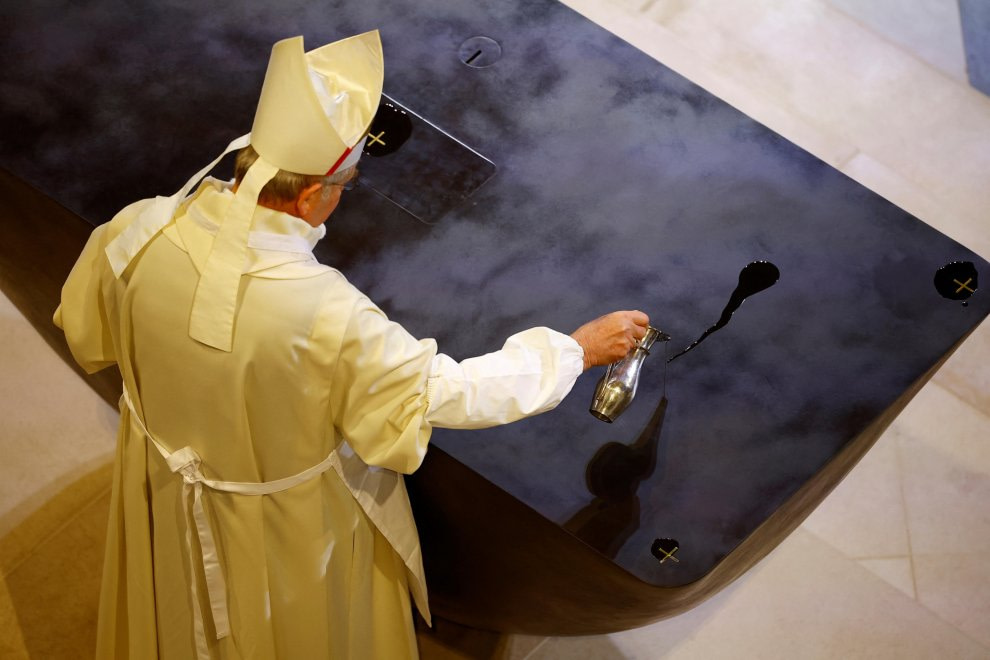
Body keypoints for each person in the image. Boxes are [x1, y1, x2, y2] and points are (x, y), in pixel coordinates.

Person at [55, 31, 649, 659]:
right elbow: (445, 394)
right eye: (345, 187)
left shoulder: (144, 222)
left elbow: (87, 327)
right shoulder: (320, 309)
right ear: (312, 194)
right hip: (280, 520)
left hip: (162, 477)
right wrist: (575, 351)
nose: (340, 203)